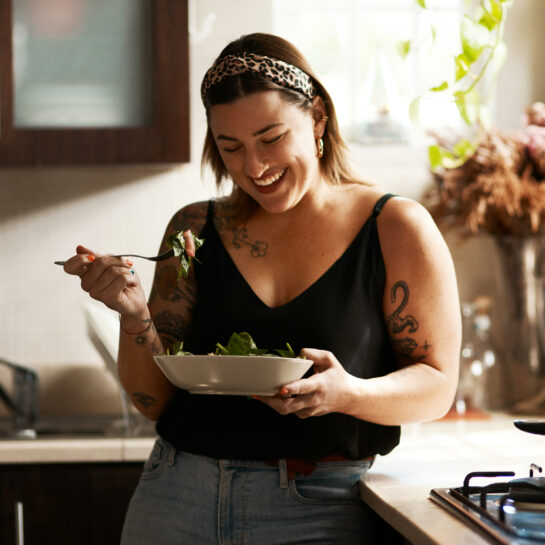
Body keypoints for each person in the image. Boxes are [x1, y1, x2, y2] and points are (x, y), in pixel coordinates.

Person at [63, 33, 461, 545]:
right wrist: (133, 315)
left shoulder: (394, 226)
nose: (255, 168)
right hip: (175, 496)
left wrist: (347, 394)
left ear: (317, 117)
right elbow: (153, 402)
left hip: (322, 507)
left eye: (271, 139)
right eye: (231, 148)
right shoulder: (195, 228)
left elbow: (436, 386)